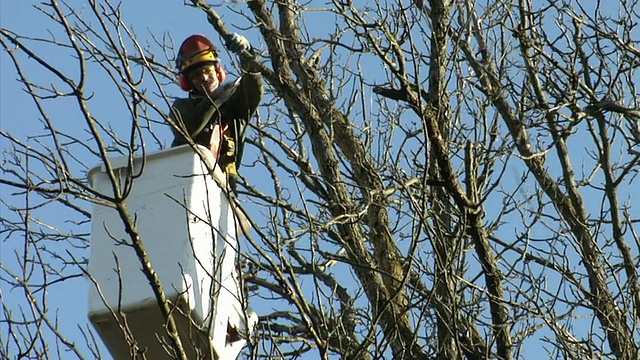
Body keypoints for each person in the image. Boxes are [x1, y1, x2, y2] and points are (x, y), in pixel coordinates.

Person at [170, 33, 263, 188]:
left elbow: (253, 88)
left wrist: (247, 54)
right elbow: (190, 127)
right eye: (197, 75)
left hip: (224, 185)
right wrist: (222, 94)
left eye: (207, 71)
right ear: (188, 82)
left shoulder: (234, 108)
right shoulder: (181, 108)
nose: (204, 78)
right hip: (187, 182)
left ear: (218, 71)